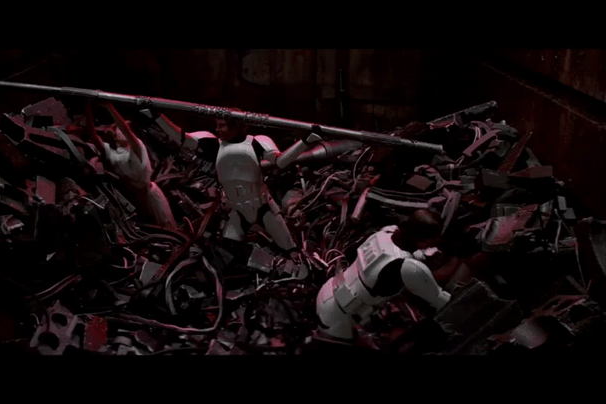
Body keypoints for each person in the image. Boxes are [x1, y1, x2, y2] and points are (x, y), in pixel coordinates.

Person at [137, 107, 324, 263]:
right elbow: (181, 138)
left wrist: (306, 141)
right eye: (217, 125)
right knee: (228, 253)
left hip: (263, 207)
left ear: (237, 127)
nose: (218, 129)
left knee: (290, 249)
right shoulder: (213, 144)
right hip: (236, 210)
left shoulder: (257, 142)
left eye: (223, 126)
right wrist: (156, 116)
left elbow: (280, 161)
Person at [315, 209, 451, 340]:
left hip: (329, 291)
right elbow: (440, 300)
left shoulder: (386, 232)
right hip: (339, 317)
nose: (436, 242)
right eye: (434, 239)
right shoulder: (409, 267)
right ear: (422, 241)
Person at [85, 102, 177, 229]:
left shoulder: (137, 148)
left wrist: (110, 108)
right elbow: (93, 135)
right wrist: (87, 107)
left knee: (165, 227)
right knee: (145, 227)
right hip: (134, 196)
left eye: (122, 129)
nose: (122, 132)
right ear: (115, 137)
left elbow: (126, 130)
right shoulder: (113, 153)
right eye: (118, 130)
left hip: (150, 196)